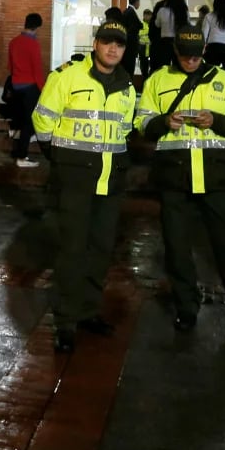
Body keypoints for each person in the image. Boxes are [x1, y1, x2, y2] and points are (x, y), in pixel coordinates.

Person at [137, 27, 225, 345]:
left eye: (196, 53)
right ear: (175, 49)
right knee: (177, 246)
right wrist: (165, 122)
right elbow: (142, 123)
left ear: (204, 48)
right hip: (174, 176)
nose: (191, 59)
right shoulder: (157, 80)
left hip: (214, 175)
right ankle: (186, 308)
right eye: (185, 53)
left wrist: (216, 120)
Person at [31, 20, 138, 353]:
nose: (112, 49)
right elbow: (42, 120)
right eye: (107, 42)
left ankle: (87, 311)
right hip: (75, 180)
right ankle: (65, 320)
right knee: (72, 251)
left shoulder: (128, 88)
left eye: (119, 45)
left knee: (100, 250)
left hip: (110, 180)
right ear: (95, 44)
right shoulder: (66, 77)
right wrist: (61, 158)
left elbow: (125, 131)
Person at [6, 12, 48, 169]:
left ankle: (20, 137)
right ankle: (22, 155)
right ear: (37, 27)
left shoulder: (13, 42)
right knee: (31, 120)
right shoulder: (33, 44)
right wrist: (43, 88)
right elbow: (37, 69)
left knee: (23, 117)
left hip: (16, 84)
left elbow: (9, 66)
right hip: (30, 85)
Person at [118, 0, 143, 78]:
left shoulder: (126, 11)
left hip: (127, 45)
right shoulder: (131, 12)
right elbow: (138, 26)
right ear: (136, 2)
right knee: (129, 68)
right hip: (130, 46)